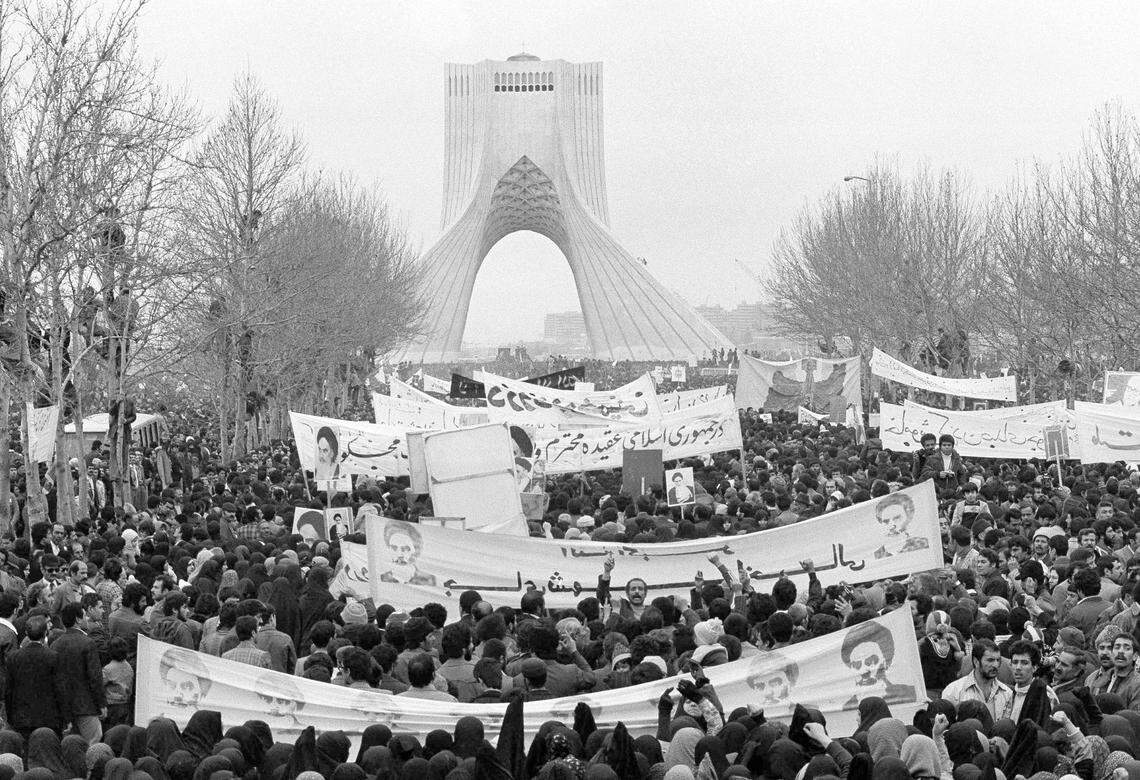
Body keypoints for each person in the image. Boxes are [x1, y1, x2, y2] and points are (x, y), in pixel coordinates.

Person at [51, 602, 107, 743]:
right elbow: (95, 677)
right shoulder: (88, 643)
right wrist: (101, 703)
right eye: (85, 616)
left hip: (63, 705)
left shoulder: (55, 644)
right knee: (93, 741)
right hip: (86, 704)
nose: (87, 618)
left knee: (70, 745)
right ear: (78, 619)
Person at [5, 615, 67, 739]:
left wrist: (10, 716)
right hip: (49, 718)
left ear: (26, 633)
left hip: (22, 718)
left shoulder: (14, 658)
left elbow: (9, 690)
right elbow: (60, 689)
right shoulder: (53, 657)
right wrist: (65, 717)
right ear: (45, 632)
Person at [839, 619, 917, 709]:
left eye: (871, 661)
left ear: (885, 662)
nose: (864, 671)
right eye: (857, 664)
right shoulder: (847, 707)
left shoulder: (909, 694)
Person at [941, 639, 1012, 720]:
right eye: (990, 660)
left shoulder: (1007, 693)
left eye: (998, 660)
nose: (996, 665)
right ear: (976, 662)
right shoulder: (954, 691)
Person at [871, 492, 930, 558]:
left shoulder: (923, 545)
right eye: (886, 521)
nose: (892, 526)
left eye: (897, 518)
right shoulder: (877, 555)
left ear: (908, 517)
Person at [378, 522, 436, 586]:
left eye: (405, 549)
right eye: (394, 548)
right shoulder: (382, 579)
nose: (400, 555)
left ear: (415, 551)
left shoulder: (428, 580)